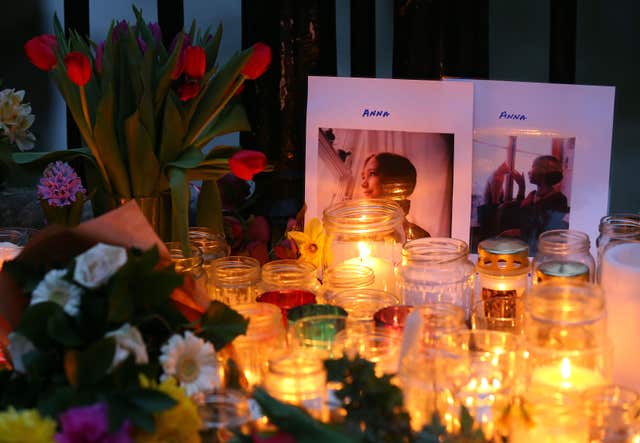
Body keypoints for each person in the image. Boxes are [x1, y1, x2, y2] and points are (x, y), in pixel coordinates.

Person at [478, 155, 569, 253]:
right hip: (521, 242)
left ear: (542, 173)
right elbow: (521, 214)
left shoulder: (559, 199)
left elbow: (548, 231)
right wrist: (521, 186)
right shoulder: (532, 194)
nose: (529, 172)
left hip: (535, 248)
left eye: (533, 168)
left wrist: (519, 232)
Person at [360, 152, 430, 240]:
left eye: (372, 174)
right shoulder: (357, 233)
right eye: (363, 177)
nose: (363, 184)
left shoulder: (420, 238)